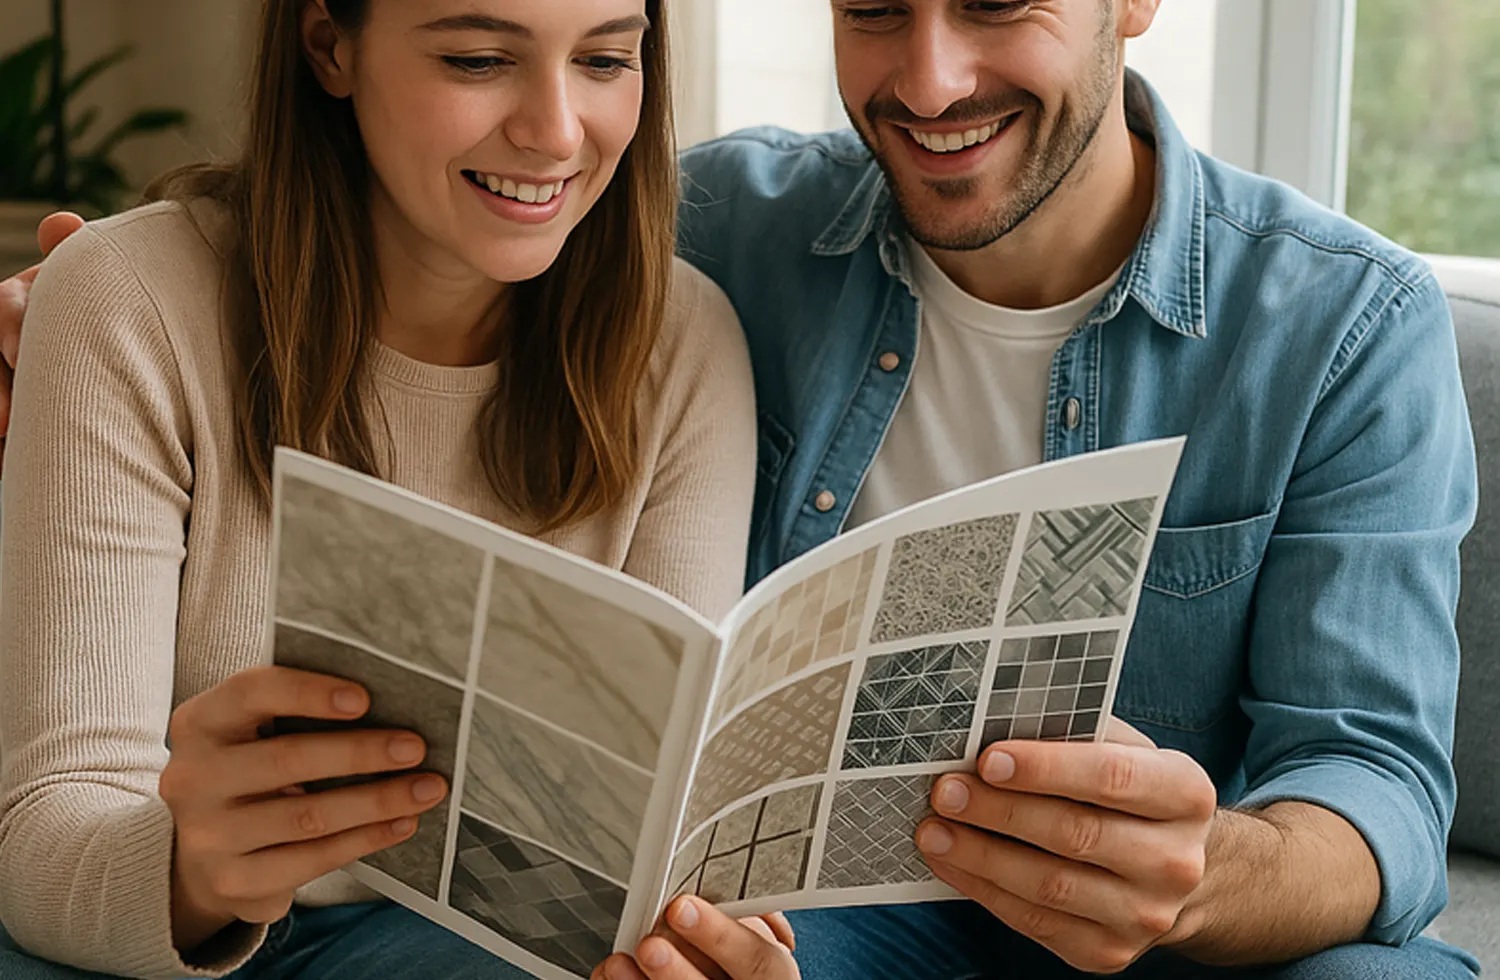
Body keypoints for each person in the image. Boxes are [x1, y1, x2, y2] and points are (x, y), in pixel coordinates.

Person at [1, 1, 1480, 979]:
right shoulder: (715, 235)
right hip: (843, 924)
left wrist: (1204, 873)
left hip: (1154, 934)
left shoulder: (1343, 324)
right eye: (874, 9)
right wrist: (83, 316)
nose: (929, 79)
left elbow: (1384, 786)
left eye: (997, 1)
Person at [0, 0, 762, 978]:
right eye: (480, 58)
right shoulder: (127, 299)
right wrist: (196, 871)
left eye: (607, 59)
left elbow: (653, 835)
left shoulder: (684, 345)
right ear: (329, 44)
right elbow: (47, 826)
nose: (557, 130)